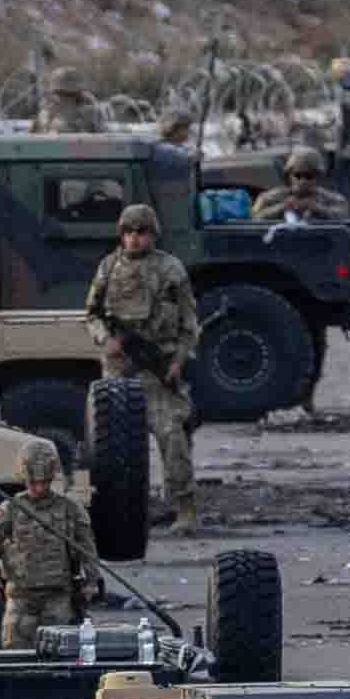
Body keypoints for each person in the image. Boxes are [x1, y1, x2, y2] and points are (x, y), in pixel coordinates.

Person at [85, 202, 202, 527]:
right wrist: (105, 341)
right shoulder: (108, 268)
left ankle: (184, 508)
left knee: (172, 437)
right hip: (119, 373)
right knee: (119, 449)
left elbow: (189, 322)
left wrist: (178, 360)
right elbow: (92, 314)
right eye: (129, 232)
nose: (135, 239)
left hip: (159, 370)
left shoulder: (171, 269)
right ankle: (129, 513)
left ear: (153, 234)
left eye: (142, 232)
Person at [0, 440, 98, 645]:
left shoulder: (70, 509)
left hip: (58, 598)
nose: (39, 488)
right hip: (20, 598)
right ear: (24, 478)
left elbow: (87, 549)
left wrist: (91, 581)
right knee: (15, 656)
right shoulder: (10, 510)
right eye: (33, 483)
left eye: (45, 482)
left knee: (61, 656)